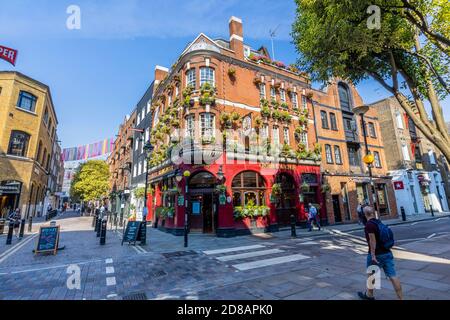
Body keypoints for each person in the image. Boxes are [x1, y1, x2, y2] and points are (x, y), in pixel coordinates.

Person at [358, 206, 403, 300]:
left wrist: (373, 255)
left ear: (365, 214)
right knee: (393, 276)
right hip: (387, 253)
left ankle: (370, 295)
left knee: (371, 276)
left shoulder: (369, 225)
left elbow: (372, 241)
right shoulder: (378, 222)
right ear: (373, 213)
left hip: (377, 255)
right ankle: (401, 298)